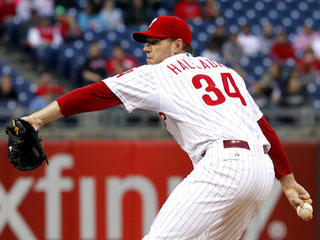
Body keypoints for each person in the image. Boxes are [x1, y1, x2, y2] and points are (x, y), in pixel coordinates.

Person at [21, 16, 313, 239]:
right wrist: (286, 179)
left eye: (155, 41)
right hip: (261, 172)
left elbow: (95, 94)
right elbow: (264, 129)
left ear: (178, 45)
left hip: (224, 165)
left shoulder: (160, 73)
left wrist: (36, 119)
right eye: (145, 41)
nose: (146, 47)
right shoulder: (225, 72)